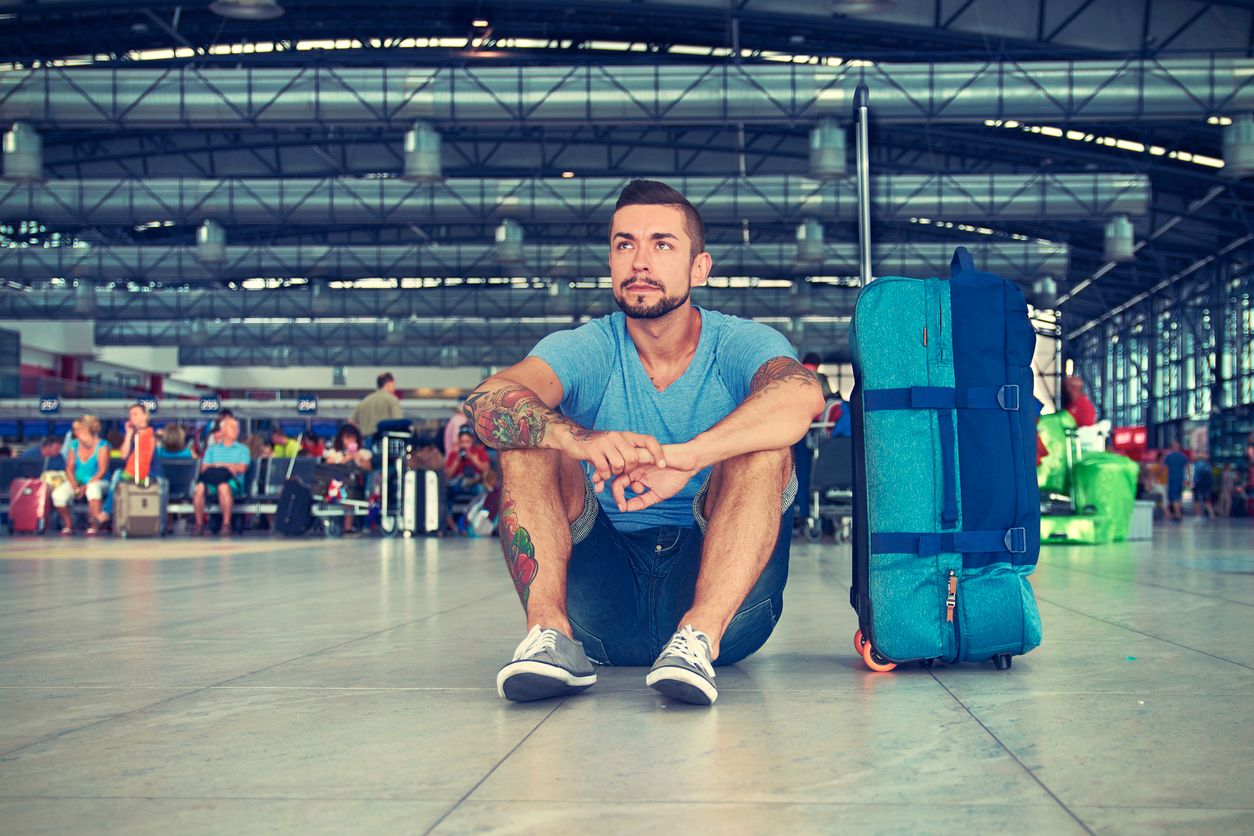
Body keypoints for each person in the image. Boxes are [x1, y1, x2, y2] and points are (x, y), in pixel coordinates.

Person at [462, 179, 824, 706]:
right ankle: (549, 640)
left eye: (662, 244)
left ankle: (695, 638)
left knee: (763, 441)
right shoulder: (589, 347)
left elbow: (802, 395)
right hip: (601, 608)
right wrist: (576, 437)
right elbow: (486, 399)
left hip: (728, 611)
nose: (640, 261)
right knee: (528, 430)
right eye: (625, 244)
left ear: (700, 267)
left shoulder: (739, 343)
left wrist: (688, 457)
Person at [97, 403, 159, 528]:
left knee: (118, 475)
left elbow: (145, 460)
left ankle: (106, 512)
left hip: (147, 473)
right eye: (130, 415)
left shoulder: (152, 435)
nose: (132, 418)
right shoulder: (131, 435)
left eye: (135, 414)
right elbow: (124, 455)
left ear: (145, 416)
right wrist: (129, 434)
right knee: (118, 474)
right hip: (130, 472)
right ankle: (107, 513)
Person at [51, 415, 111, 536]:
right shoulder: (74, 445)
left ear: (88, 430)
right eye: (75, 430)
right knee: (58, 494)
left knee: (93, 488)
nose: (76, 432)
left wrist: (85, 487)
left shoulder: (103, 445)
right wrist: (74, 484)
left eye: (78, 430)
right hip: (78, 481)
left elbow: (102, 471)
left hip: (99, 481)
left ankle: (94, 525)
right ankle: (68, 525)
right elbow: (69, 467)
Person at [192, 415, 250, 537]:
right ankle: (199, 524)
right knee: (199, 488)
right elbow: (203, 468)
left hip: (233, 483)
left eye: (237, 428)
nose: (236, 430)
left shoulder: (243, 449)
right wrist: (228, 466)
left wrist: (222, 465)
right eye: (232, 428)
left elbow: (242, 468)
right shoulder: (212, 450)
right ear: (223, 430)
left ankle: (226, 524)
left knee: (223, 487)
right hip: (212, 481)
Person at [350, 372, 403, 439]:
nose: (395, 388)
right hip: (384, 440)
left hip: (365, 441)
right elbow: (399, 422)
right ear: (389, 384)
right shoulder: (392, 399)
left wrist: (361, 432)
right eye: (394, 384)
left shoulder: (365, 401)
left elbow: (351, 422)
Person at [1162, 440, 1189, 523]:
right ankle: (1178, 514)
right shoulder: (1183, 456)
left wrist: (1165, 480)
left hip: (1172, 480)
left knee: (1174, 498)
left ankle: (1178, 515)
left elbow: (1165, 469)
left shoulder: (1168, 457)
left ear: (1172, 447)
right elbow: (1187, 467)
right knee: (1178, 497)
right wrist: (1187, 479)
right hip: (1180, 480)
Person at [1191, 452, 1215, 519]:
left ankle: (1198, 515)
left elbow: (1195, 475)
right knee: (1207, 500)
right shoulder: (1208, 465)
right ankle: (1211, 514)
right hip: (1206, 485)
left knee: (1197, 500)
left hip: (1198, 484)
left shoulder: (1195, 465)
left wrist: (1193, 483)